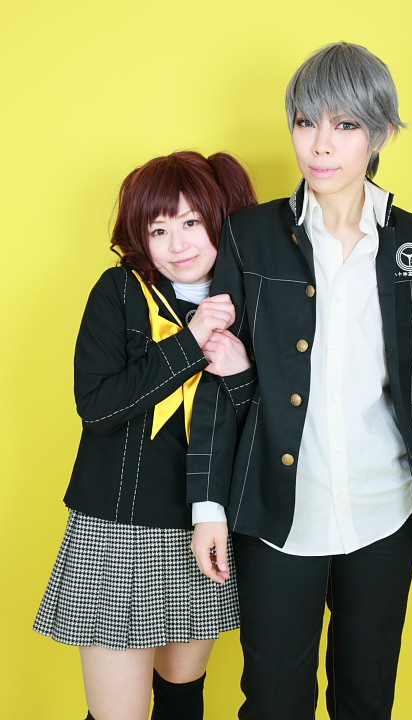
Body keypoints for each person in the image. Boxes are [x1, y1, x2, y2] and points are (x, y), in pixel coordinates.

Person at [188, 42, 412, 719]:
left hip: (385, 510)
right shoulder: (249, 236)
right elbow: (216, 378)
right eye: (305, 121)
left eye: (344, 125)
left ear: (381, 133)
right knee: (274, 701)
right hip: (277, 513)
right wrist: (208, 508)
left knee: (366, 697)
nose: (320, 144)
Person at [34, 150, 257, 720]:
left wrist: (240, 376)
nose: (178, 244)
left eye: (191, 222)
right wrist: (189, 342)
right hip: (116, 530)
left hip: (204, 529)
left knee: (182, 698)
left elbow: (269, 428)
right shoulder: (119, 291)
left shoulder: (252, 299)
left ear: (218, 219)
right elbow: (97, 406)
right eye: (159, 230)